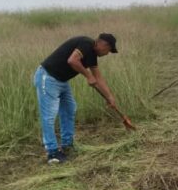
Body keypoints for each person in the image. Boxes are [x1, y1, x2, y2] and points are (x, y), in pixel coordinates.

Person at [34, 33, 120, 164]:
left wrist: (110, 97)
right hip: (48, 77)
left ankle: (67, 145)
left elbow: (98, 78)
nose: (107, 54)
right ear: (103, 44)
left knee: (70, 109)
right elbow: (72, 60)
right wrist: (87, 75)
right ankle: (52, 153)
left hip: (62, 81)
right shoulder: (86, 43)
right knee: (49, 115)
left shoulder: (92, 55)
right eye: (109, 50)